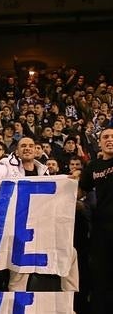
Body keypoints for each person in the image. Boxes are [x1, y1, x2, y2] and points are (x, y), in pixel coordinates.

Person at [0, 128, 78, 292]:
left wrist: (70, 182)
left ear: (36, 150)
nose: (27, 148)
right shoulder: (6, 167)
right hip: (18, 231)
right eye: (23, 145)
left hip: (42, 229)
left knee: (70, 254)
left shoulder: (45, 173)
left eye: (30, 145)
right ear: (17, 151)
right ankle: (17, 307)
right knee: (19, 275)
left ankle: (67, 303)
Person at [78, 127, 113, 314]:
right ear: (99, 142)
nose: (109, 140)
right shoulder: (93, 167)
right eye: (105, 137)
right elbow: (80, 190)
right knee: (101, 276)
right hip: (102, 229)